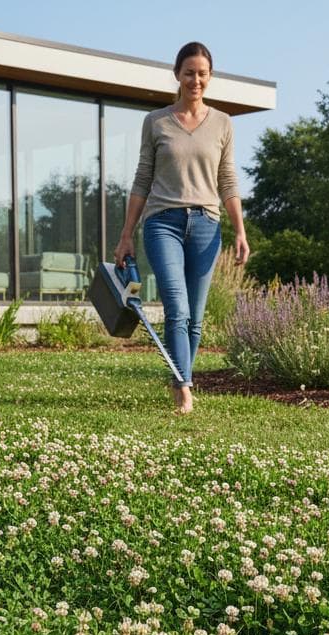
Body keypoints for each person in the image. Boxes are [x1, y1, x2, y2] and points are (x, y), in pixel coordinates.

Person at [114, 41, 249, 414]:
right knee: (177, 307)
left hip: (206, 225)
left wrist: (240, 231)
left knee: (196, 316)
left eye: (202, 73)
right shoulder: (156, 121)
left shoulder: (222, 123)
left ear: (210, 77)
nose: (196, 80)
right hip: (163, 224)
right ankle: (183, 388)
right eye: (189, 72)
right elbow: (142, 179)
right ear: (177, 75)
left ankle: (181, 377)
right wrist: (126, 234)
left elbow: (227, 181)